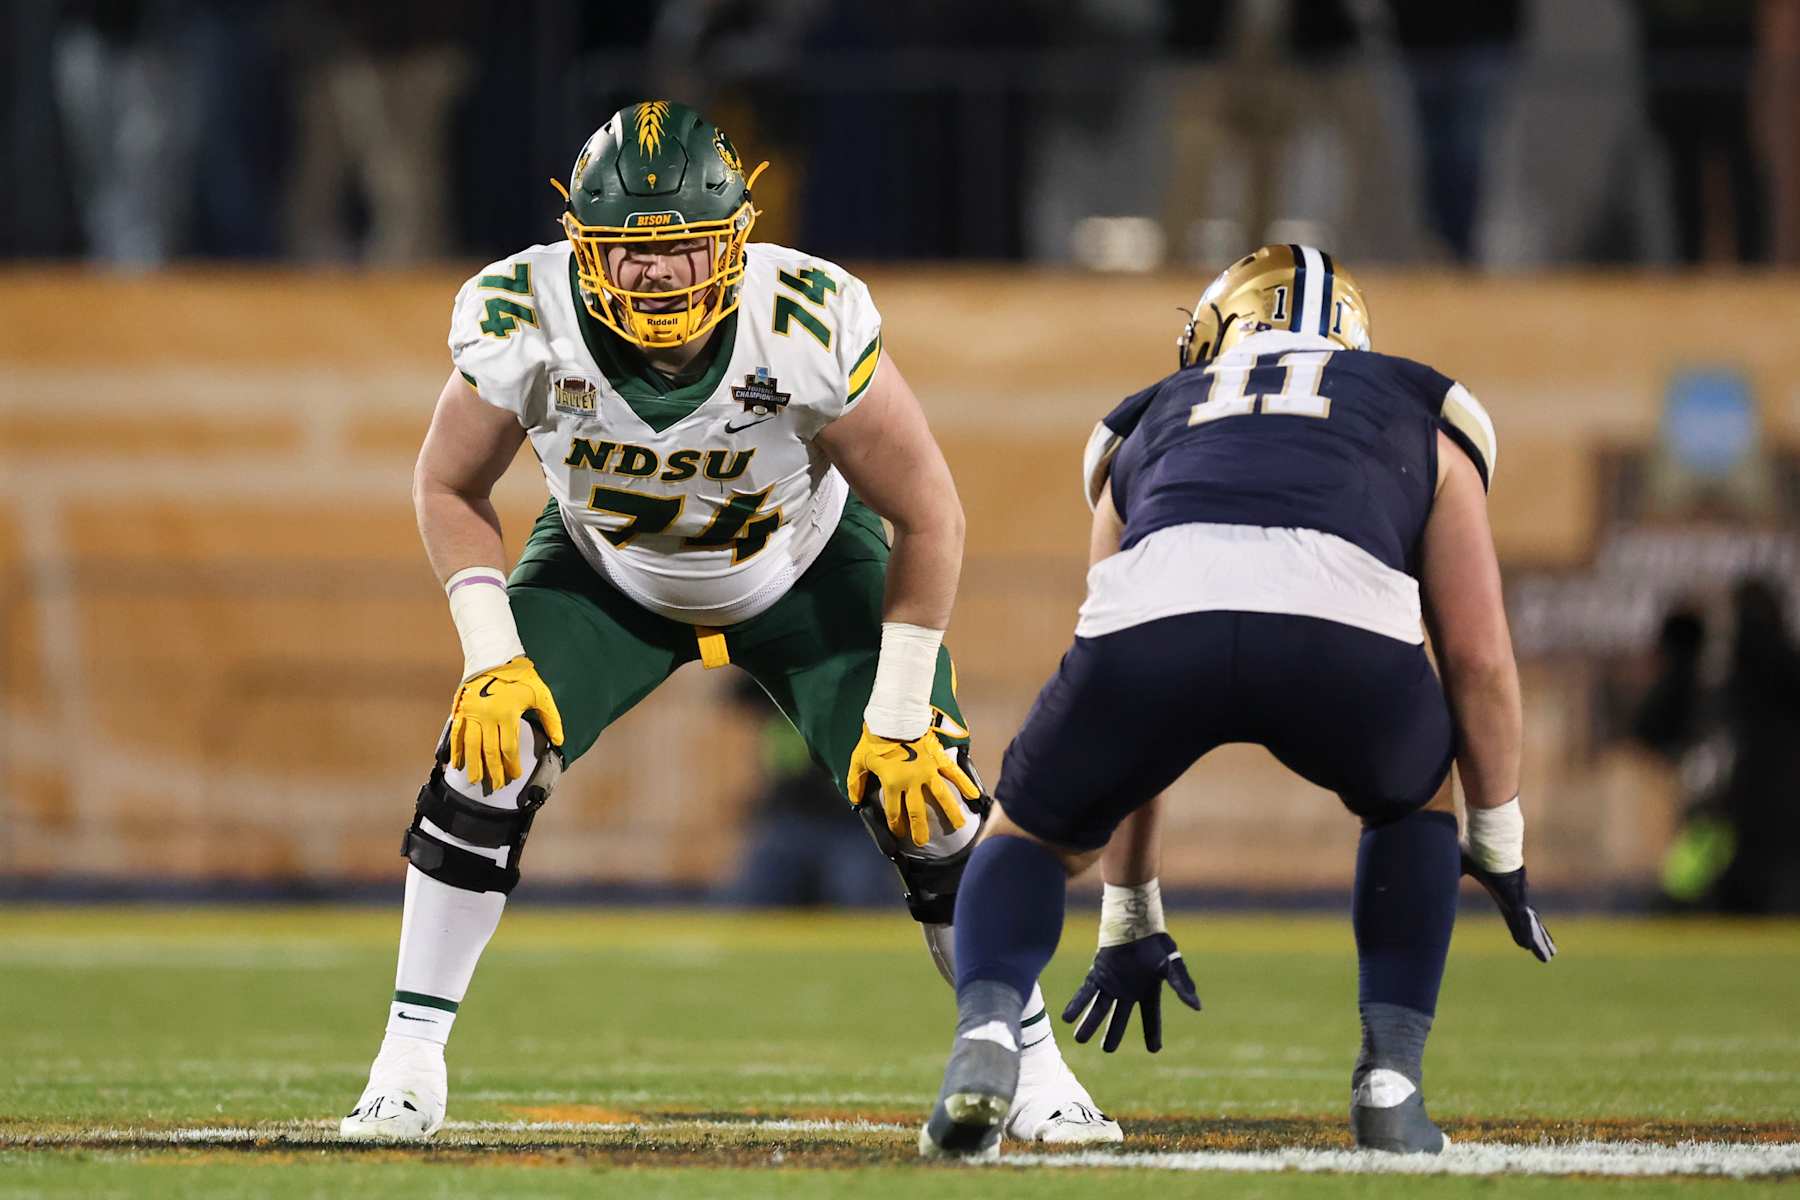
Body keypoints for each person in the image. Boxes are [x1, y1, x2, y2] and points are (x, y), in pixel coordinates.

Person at [337, 100, 1117, 1145]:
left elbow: (930, 512)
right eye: (630, 250)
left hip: (803, 570)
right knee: (487, 754)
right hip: (606, 572)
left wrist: (897, 709)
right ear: (581, 246)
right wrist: (491, 656)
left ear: (736, 238)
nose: (658, 275)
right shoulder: (527, 316)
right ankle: (406, 1062)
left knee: (928, 798)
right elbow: (446, 483)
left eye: (684, 248)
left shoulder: (801, 321)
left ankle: (1030, 1066)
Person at [919, 244, 1555, 1160]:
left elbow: (1120, 638)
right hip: (1342, 640)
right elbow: (1479, 658)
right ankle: (1390, 1080)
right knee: (1413, 804)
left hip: (1152, 632)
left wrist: (1131, 907)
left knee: (1026, 836)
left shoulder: (1147, 419)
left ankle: (986, 1032)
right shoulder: (1420, 407)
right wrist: (1496, 836)